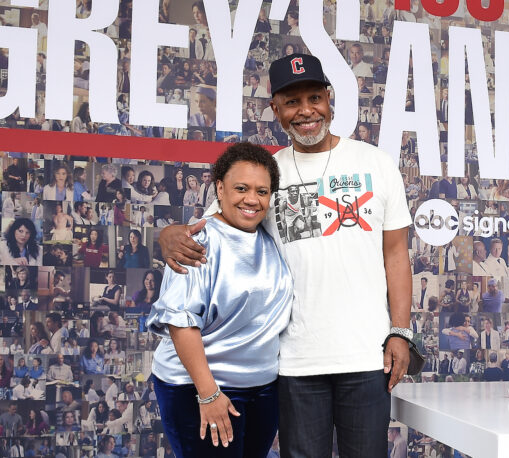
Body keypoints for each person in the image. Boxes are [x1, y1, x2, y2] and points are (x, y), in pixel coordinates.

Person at [159, 54, 413, 456]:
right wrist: (167, 235)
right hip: (294, 362)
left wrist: (401, 331)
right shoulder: (266, 174)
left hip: (367, 356)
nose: (306, 111)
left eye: (315, 97)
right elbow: (205, 228)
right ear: (275, 110)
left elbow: (396, 254)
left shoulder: (376, 164)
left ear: (330, 99)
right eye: (292, 102)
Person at [147, 142, 292, 455]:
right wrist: (208, 393)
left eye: (262, 191)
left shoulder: (268, 237)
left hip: (262, 388)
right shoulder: (197, 240)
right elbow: (181, 322)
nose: (252, 199)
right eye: (241, 188)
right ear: (220, 189)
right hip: (200, 388)